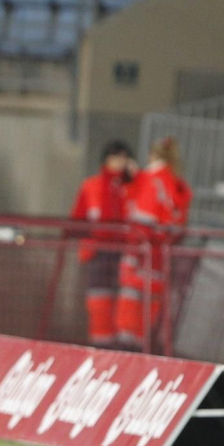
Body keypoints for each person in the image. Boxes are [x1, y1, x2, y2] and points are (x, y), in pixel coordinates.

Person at [119, 135, 190, 350]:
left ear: (153, 155)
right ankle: (144, 348)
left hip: (140, 252)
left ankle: (126, 351)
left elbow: (140, 218)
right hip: (162, 256)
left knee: (131, 305)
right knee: (151, 307)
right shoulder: (177, 184)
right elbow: (178, 223)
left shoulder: (150, 179)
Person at [69, 140, 134, 348]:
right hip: (98, 253)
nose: (119, 163)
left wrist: (137, 177)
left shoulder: (132, 186)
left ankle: (124, 346)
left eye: (123, 158)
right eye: (115, 157)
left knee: (126, 303)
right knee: (99, 300)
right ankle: (101, 346)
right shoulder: (92, 185)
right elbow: (78, 218)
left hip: (126, 252)